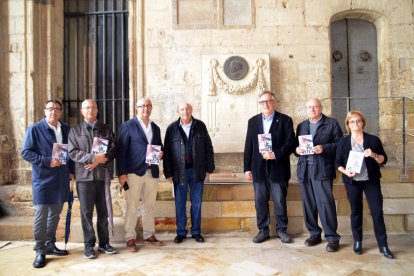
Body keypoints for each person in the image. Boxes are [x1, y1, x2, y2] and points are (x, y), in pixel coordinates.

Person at [21, 99, 74, 268]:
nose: (54, 112)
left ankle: (50, 245)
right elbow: (26, 152)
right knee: (41, 215)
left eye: (57, 109)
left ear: (60, 112)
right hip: (43, 180)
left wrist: (71, 170)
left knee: (55, 214)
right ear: (45, 111)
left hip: (61, 179)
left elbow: (70, 152)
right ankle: (39, 250)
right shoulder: (35, 129)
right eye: (50, 109)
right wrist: (47, 161)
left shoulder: (66, 129)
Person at [335, 110, 394, 259]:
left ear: (363, 123)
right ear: (348, 125)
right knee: (356, 212)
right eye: (352, 121)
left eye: (358, 121)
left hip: (371, 181)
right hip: (352, 182)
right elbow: (337, 163)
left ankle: (383, 245)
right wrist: (345, 172)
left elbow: (383, 160)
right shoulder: (343, 142)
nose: (355, 124)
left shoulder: (373, 140)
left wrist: (373, 155)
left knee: (377, 212)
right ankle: (357, 241)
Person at [244, 91, 296, 244]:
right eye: (262, 102)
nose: (265, 104)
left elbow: (291, 143)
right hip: (258, 168)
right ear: (259, 104)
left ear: (274, 102)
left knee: (279, 200)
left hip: (278, 167)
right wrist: (247, 168)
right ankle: (263, 230)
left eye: (268, 101)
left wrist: (276, 153)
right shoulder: (253, 121)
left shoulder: (285, 120)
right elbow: (249, 146)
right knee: (260, 200)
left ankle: (281, 230)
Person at [68, 99, 117, 259]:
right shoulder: (75, 131)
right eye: (87, 108)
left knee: (103, 212)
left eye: (93, 107)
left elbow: (113, 149)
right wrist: (93, 158)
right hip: (84, 178)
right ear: (82, 111)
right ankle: (89, 245)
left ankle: (104, 243)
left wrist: (102, 159)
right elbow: (73, 152)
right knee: (86, 212)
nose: (90, 110)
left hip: (102, 176)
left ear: (97, 110)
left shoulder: (106, 129)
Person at [117, 97, 165, 252]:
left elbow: (159, 146)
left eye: (149, 106)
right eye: (143, 106)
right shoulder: (128, 126)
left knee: (149, 205)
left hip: (152, 171)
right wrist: (121, 173)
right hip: (133, 172)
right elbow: (121, 151)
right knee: (132, 206)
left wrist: (162, 152)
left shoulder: (155, 128)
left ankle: (149, 235)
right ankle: (130, 237)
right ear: (136, 108)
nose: (146, 109)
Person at [295, 98, 342, 252]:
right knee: (308, 204)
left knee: (325, 204)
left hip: (322, 169)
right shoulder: (302, 126)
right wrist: (297, 151)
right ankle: (314, 234)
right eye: (309, 107)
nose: (312, 109)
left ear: (321, 108)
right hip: (305, 170)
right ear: (306, 109)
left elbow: (340, 145)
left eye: (315, 106)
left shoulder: (332, 123)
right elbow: (297, 146)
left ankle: (332, 238)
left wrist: (325, 148)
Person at [163, 102, 215, 243]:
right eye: (182, 109)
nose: (185, 111)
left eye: (187, 109)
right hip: (179, 172)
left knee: (197, 203)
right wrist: (168, 173)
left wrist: (209, 168)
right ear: (178, 112)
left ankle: (196, 232)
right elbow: (166, 152)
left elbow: (208, 147)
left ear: (191, 110)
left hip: (197, 171)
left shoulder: (200, 126)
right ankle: (181, 232)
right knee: (180, 203)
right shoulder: (172, 129)